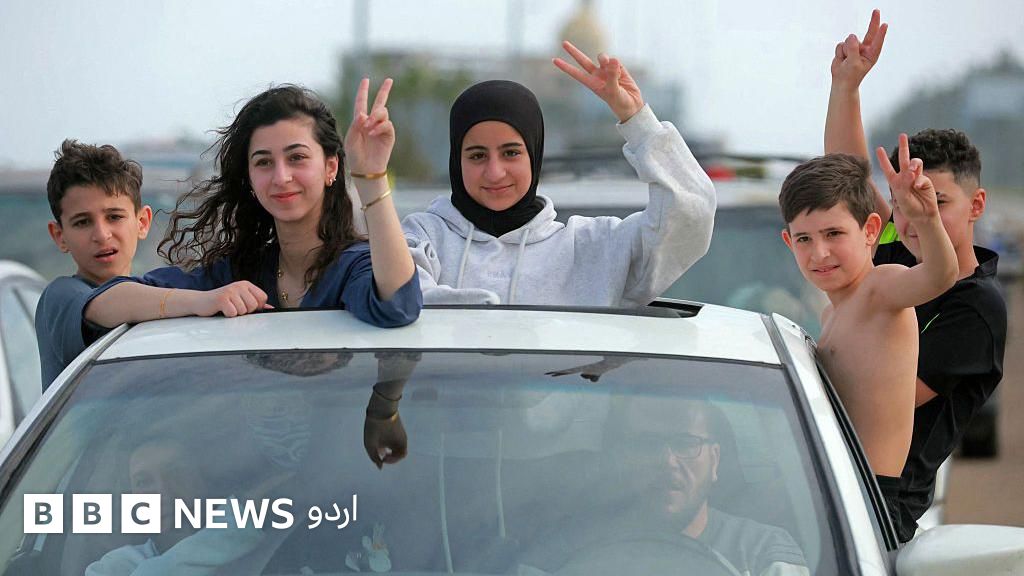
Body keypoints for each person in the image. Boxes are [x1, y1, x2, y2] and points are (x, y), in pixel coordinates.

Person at [824, 10, 1007, 542]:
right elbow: (848, 181)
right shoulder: (897, 252)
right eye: (901, 202)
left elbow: (885, 400)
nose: (911, 217)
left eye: (934, 202)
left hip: (882, 509)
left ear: (976, 205)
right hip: (828, 473)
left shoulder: (977, 308)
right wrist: (846, 87)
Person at [83, 82, 420, 329]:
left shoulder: (353, 266)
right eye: (263, 162)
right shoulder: (236, 273)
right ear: (249, 177)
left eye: (297, 157)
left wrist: (371, 176)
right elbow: (102, 304)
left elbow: (398, 306)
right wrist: (205, 300)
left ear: (331, 167)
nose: (281, 177)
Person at [402, 41, 715, 306]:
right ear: (456, 160)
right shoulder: (424, 237)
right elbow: (403, 299)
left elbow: (692, 215)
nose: (495, 172)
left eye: (511, 153)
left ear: (534, 154)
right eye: (477, 156)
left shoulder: (592, 249)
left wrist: (638, 122)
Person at [778, 148, 958, 538]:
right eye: (805, 238)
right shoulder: (829, 316)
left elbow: (940, 275)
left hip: (874, 498)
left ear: (871, 230)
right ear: (789, 242)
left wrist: (927, 219)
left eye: (834, 234)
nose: (819, 252)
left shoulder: (881, 289)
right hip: (834, 492)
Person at [36, 140, 154, 390]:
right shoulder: (60, 296)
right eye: (82, 222)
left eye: (114, 217)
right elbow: (113, 302)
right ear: (60, 236)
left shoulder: (151, 296)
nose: (101, 235)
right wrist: (206, 299)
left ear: (142, 222)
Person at [85, 438, 266, 576]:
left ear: (202, 480)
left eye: (176, 473)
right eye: (144, 482)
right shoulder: (113, 568)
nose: (163, 490)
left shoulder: (268, 543)